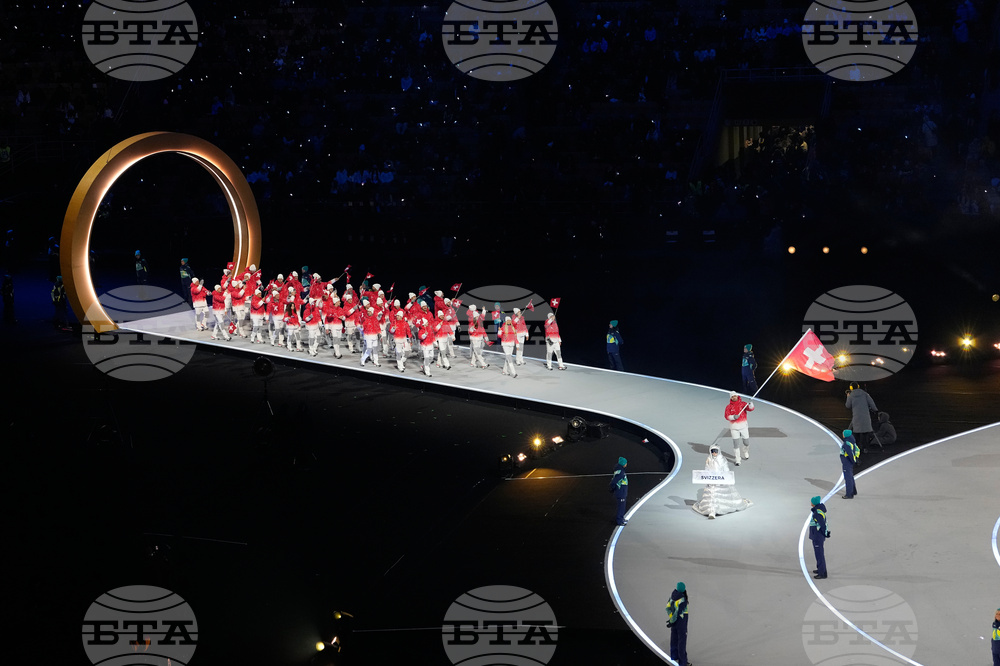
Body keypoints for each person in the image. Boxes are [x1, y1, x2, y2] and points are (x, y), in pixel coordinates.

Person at [692, 444, 752, 519]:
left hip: (721, 481)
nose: (714, 453)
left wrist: (725, 478)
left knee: (718, 495)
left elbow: (726, 469)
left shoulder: (722, 459)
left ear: (718, 451)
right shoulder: (709, 459)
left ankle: (713, 511)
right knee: (712, 495)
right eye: (712, 451)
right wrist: (706, 477)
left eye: (716, 451)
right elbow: (706, 469)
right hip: (712, 481)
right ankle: (712, 512)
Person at [845, 384, 878, 453]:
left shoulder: (851, 396)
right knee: (865, 433)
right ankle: (865, 448)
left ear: (851, 388)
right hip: (865, 416)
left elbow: (848, 405)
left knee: (856, 433)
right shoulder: (865, 394)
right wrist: (875, 410)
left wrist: (848, 397)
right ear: (858, 386)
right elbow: (872, 403)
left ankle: (856, 448)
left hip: (856, 417)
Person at [724, 391, 754, 465]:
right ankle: (738, 459)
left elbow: (751, 409)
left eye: (735, 396)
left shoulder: (743, 404)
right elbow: (726, 416)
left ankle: (745, 451)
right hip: (734, 428)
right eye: (732, 396)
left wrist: (750, 404)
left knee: (746, 442)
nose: (734, 397)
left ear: (737, 396)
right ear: (731, 398)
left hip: (743, 427)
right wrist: (733, 417)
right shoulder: (728, 407)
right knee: (736, 444)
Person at [665, 582, 690, 666]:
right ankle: (683, 662)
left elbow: (668, 608)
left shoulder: (673, 596)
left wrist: (671, 618)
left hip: (674, 623)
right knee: (681, 642)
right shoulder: (682, 599)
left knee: (674, 638)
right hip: (681, 623)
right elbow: (678, 612)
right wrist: (673, 620)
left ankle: (674, 656)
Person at [809, 496, 829, 579]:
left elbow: (822, 524)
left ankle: (822, 573)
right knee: (818, 553)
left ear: (813, 503)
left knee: (819, 554)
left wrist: (824, 533)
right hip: (818, 535)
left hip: (817, 536)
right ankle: (821, 569)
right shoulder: (819, 510)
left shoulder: (817, 513)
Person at [609, 456, 628, 526]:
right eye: (626, 463)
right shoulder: (621, 472)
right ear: (623, 464)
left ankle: (621, 518)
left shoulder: (620, 470)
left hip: (622, 492)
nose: (626, 464)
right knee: (621, 507)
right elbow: (614, 481)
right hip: (621, 492)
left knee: (622, 506)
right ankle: (619, 521)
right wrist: (612, 488)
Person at [840, 429, 859, 499]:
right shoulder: (852, 441)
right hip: (849, 462)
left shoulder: (846, 444)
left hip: (847, 462)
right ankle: (853, 490)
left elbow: (850, 453)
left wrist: (852, 460)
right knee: (850, 476)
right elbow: (857, 450)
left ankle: (849, 494)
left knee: (848, 478)